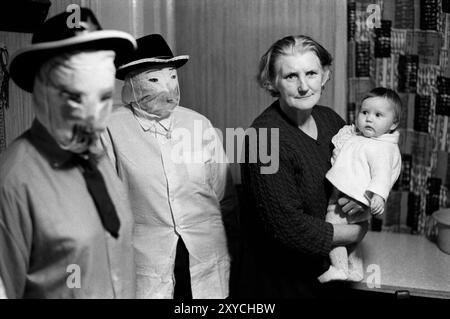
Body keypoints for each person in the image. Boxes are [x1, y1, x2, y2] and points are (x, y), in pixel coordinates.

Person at [0, 8, 137, 298]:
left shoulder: (99, 160)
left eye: (102, 96)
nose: (93, 115)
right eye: (75, 97)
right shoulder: (12, 182)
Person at [101, 34, 239, 299]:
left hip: (204, 261)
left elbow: (225, 199)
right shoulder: (110, 128)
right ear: (131, 84)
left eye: (172, 76)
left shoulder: (199, 125)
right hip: (146, 266)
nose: (168, 87)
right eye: (154, 79)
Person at [237, 35, 368, 298]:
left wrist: (363, 200)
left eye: (311, 73)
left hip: (327, 274)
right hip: (281, 286)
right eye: (290, 76)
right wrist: (355, 231)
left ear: (325, 75)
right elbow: (289, 229)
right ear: (272, 81)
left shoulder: (330, 120)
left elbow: (361, 169)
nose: (304, 86)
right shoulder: (264, 138)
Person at [318, 87, 402, 283]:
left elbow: (383, 175)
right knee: (351, 239)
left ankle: (338, 268)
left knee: (332, 229)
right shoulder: (363, 138)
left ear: (393, 124)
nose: (369, 118)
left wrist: (378, 196)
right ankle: (354, 269)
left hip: (352, 199)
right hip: (349, 196)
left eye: (378, 115)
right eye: (364, 112)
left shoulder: (382, 147)